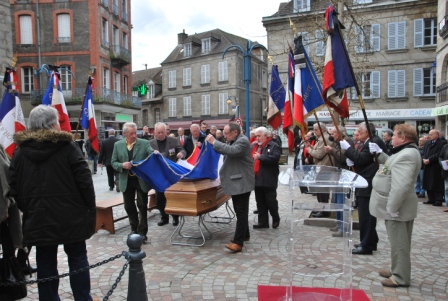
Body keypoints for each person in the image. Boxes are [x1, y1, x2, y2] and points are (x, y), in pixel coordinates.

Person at [9, 105, 96, 300]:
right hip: (71, 217)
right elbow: (85, 181)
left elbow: (13, 185)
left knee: (46, 261)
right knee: (77, 258)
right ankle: (83, 298)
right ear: (51, 124)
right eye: (57, 121)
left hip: (39, 217)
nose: (59, 124)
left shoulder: (21, 152)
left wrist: (28, 207)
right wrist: (88, 207)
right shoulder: (67, 147)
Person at [368, 124, 421, 287]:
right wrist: (380, 154)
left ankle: (400, 277)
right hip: (398, 207)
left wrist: (392, 207)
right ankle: (396, 269)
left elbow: (401, 186)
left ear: (403, 138)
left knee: (400, 243)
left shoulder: (407, 155)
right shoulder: (404, 152)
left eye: (395, 135)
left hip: (398, 208)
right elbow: (391, 166)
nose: (392, 138)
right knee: (397, 242)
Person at [206, 122, 254, 253]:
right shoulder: (235, 140)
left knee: (241, 211)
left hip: (242, 182)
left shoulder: (242, 141)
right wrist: (212, 145)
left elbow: (232, 151)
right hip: (238, 181)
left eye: (227, 133)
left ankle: (238, 243)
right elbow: (225, 150)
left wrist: (214, 142)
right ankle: (245, 234)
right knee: (240, 211)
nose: (225, 136)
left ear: (235, 133)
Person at [111, 122, 154, 243]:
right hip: (126, 180)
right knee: (128, 206)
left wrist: (154, 154)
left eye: (136, 132)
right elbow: (113, 162)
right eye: (131, 133)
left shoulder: (144, 143)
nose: (134, 135)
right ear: (125, 134)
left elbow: (150, 152)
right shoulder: (117, 145)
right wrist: (122, 165)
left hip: (140, 180)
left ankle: (142, 232)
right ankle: (134, 228)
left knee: (142, 206)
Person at [341, 122, 379, 255]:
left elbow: (362, 160)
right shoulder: (367, 143)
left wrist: (348, 150)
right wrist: (352, 160)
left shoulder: (373, 142)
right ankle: (370, 241)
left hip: (367, 183)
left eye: (359, 131)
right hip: (364, 181)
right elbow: (361, 160)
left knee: (366, 216)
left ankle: (366, 245)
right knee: (365, 215)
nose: (357, 133)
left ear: (367, 132)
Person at [150, 122, 186, 226]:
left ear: (166, 132)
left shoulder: (173, 141)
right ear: (155, 133)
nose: (160, 134)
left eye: (162, 132)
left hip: (171, 173)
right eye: (158, 132)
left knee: (172, 196)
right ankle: (164, 217)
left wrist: (181, 154)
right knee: (160, 197)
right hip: (158, 174)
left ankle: (175, 217)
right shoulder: (150, 143)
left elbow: (182, 150)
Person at [324, 125, 354, 237]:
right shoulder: (338, 142)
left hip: (344, 175)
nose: (331, 136)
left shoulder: (346, 141)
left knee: (341, 202)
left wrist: (331, 151)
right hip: (337, 174)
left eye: (333, 134)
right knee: (337, 201)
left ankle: (343, 227)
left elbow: (344, 158)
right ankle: (339, 223)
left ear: (340, 133)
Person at [251, 127, 281, 229]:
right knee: (260, 202)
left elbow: (275, 158)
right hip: (257, 178)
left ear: (265, 135)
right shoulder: (255, 146)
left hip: (268, 179)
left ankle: (275, 218)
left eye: (259, 136)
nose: (257, 138)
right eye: (256, 136)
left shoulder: (274, 145)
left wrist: (261, 157)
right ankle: (263, 222)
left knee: (271, 201)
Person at [304, 122, 335, 217]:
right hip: (321, 167)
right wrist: (310, 146)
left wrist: (308, 150)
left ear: (322, 129)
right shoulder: (321, 139)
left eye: (316, 129)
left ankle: (324, 210)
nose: (314, 131)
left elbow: (318, 154)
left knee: (323, 191)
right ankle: (321, 208)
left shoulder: (325, 139)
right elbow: (318, 150)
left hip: (324, 167)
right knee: (320, 190)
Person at [422, 129, 446, 206]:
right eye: (429, 134)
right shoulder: (427, 143)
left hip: (436, 166)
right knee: (428, 183)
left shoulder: (442, 143)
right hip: (427, 166)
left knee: (437, 183)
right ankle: (431, 199)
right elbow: (424, 152)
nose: (430, 136)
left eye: (431, 134)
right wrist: (424, 159)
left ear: (437, 135)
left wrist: (430, 160)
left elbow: (439, 154)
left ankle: (438, 200)